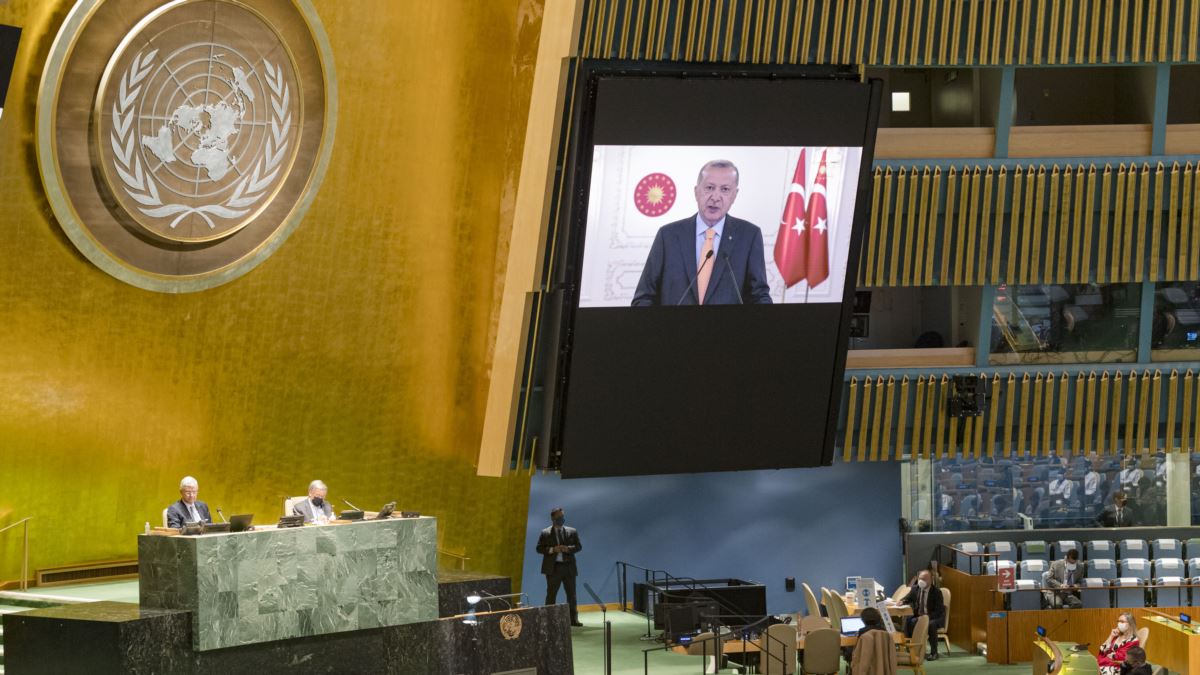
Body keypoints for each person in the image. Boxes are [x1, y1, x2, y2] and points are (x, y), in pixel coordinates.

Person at [631, 160, 772, 306]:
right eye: (709, 188)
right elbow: (643, 298)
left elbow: (759, 296)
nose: (715, 197)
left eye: (725, 189)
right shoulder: (668, 236)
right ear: (696, 192)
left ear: (734, 195)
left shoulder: (749, 236)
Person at [536, 507, 583, 627]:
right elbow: (539, 548)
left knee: (572, 595)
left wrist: (568, 549)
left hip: (569, 568)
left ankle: (573, 620)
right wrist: (552, 549)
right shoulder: (545, 532)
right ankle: (549, 620)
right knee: (551, 595)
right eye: (559, 517)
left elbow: (578, 546)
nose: (562, 519)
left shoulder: (572, 531)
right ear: (553, 518)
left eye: (562, 516)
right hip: (553, 569)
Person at [900, 569, 945, 660]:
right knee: (910, 620)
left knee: (931, 624)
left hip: (934, 617)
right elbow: (907, 598)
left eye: (924, 579)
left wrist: (925, 618)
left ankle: (934, 652)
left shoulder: (936, 592)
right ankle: (912, 648)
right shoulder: (915, 589)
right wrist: (902, 601)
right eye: (920, 578)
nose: (921, 581)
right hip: (919, 616)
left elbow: (938, 611)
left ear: (930, 580)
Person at [848, 607, 896, 675]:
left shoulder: (863, 633)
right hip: (882, 666)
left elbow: (858, 652)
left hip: (866, 665)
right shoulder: (886, 633)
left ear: (863, 620)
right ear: (878, 619)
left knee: (848, 652)